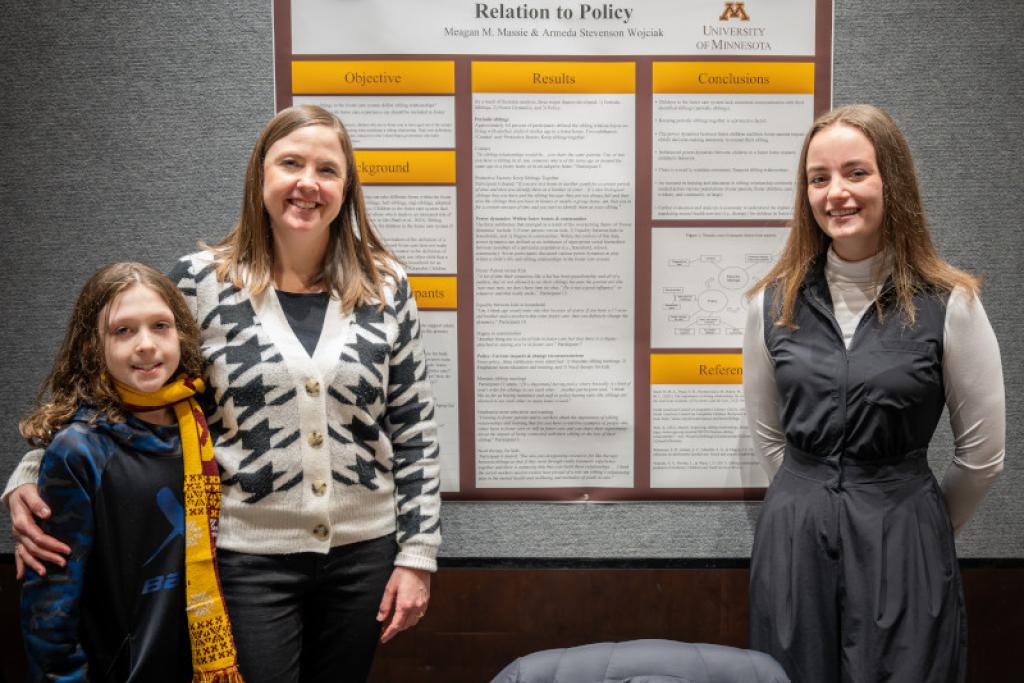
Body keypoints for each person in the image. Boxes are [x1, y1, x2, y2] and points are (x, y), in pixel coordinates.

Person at [6, 104, 442, 683]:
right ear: (260, 176)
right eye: (291, 164)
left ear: (347, 187)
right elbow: (124, 381)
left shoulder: (386, 286)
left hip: (365, 555)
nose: (307, 183)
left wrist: (417, 556)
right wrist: (34, 468)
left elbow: (414, 427)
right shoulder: (200, 282)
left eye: (327, 169)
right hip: (245, 554)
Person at [742, 103, 1005, 682]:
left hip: (903, 536)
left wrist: (919, 524)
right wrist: (813, 504)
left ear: (893, 181)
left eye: (856, 172)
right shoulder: (772, 302)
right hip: (794, 542)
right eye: (819, 178)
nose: (837, 192)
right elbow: (767, 435)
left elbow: (982, 459)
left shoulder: (951, 302)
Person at [18, 262, 243, 682]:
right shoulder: (80, 450)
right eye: (123, 330)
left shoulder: (204, 427)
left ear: (182, 336)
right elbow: (50, 606)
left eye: (160, 326)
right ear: (90, 347)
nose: (145, 344)